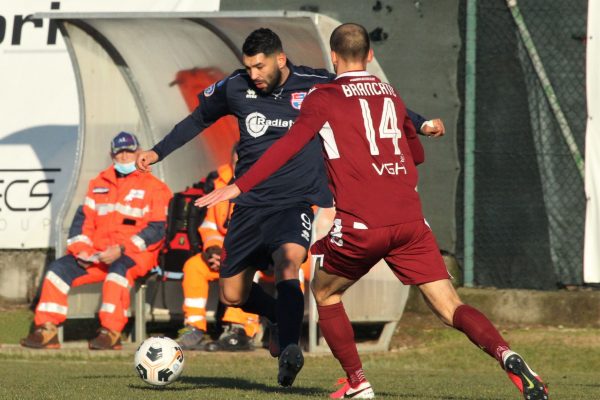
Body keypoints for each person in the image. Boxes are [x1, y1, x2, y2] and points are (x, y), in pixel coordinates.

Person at [197, 24, 549, 400]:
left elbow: (287, 147)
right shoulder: (390, 95)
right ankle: (507, 354)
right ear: (370, 56)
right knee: (451, 306)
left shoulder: (324, 97)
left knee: (325, 293)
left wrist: (240, 184)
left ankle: (357, 382)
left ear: (333, 57)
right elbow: (417, 156)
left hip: (362, 224)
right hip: (411, 221)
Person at [136, 28, 442, 387]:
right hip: (249, 204)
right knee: (234, 294)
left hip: (296, 200)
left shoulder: (317, 83)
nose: (254, 75)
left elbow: (369, 97)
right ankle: (279, 319)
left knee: (289, 263)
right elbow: (197, 120)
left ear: (281, 59)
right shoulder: (235, 87)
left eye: (260, 67)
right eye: (248, 67)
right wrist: (157, 152)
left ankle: (290, 350)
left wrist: (419, 123)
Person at [21, 132, 172, 350]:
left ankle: (110, 332)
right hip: (98, 256)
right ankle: (47, 329)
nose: (123, 157)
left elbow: (158, 230)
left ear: (140, 153)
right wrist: (81, 251)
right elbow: (81, 224)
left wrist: (122, 249)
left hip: (135, 256)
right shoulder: (98, 183)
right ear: (111, 154)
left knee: (117, 272)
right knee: (57, 270)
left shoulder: (155, 187)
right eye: (119, 153)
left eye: (129, 152)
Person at [177, 144, 260, 351]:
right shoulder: (219, 182)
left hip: (253, 255)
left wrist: (229, 254)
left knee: (247, 267)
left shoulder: (265, 183)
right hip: (222, 253)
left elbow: (261, 231)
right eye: (237, 157)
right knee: (193, 266)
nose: (241, 161)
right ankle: (194, 327)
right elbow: (209, 225)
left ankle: (239, 328)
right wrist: (213, 250)